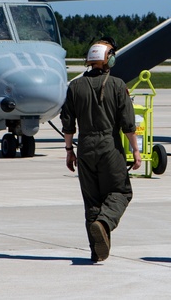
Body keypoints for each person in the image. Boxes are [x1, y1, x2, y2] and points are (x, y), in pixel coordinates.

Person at [60, 38, 142, 263]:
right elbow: (128, 124)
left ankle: (97, 252)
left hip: (85, 148)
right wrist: (136, 151)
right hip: (109, 147)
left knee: (92, 201)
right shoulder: (117, 85)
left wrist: (69, 150)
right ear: (110, 59)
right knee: (121, 192)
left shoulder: (74, 87)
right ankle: (104, 223)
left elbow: (67, 124)